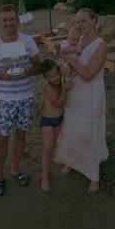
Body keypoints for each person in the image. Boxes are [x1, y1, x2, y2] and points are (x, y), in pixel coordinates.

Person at [0, 4, 41, 196]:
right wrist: (0, 74)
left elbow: (38, 68)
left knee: (21, 136)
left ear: (18, 20)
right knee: (2, 139)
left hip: (25, 96)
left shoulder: (28, 41)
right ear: (0, 22)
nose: (9, 23)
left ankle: (15, 169)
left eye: (12, 19)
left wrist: (28, 70)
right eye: (5, 20)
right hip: (5, 99)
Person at [54, 8, 109, 193]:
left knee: (89, 131)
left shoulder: (101, 45)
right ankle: (72, 161)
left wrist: (68, 57)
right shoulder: (78, 40)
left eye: (84, 21)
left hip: (91, 93)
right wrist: (63, 65)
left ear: (94, 21)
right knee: (73, 128)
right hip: (75, 93)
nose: (80, 25)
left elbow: (88, 74)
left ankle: (94, 175)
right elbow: (70, 67)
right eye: (77, 22)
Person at [40, 59, 72, 192]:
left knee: (60, 144)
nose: (55, 78)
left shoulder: (61, 81)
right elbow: (58, 104)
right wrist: (64, 91)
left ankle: (68, 164)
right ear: (46, 78)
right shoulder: (47, 87)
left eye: (56, 74)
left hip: (58, 119)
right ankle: (45, 177)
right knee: (48, 149)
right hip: (48, 121)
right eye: (51, 77)